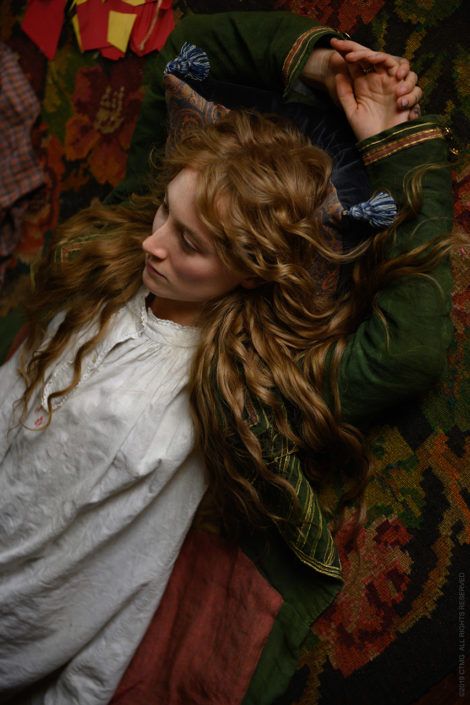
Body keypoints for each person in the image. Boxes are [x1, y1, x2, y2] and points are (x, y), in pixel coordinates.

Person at [0, 10, 454, 705]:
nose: (159, 242)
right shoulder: (131, 246)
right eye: (167, 212)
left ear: (248, 269)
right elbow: (186, 49)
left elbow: (410, 348)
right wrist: (320, 65)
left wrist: (396, 145)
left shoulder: (243, 381)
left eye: (190, 242)